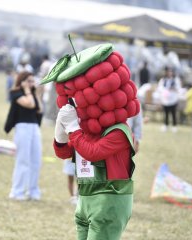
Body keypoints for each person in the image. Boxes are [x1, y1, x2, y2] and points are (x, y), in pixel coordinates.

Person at [42, 44, 140, 240]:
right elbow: (63, 153)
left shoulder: (119, 132)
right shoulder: (86, 131)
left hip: (108, 201)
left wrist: (73, 129)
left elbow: (92, 153)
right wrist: (61, 132)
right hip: (85, 199)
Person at [4, 71, 43, 201]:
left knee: (36, 161)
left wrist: (36, 93)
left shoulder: (31, 94)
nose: (32, 83)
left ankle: (33, 191)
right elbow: (29, 104)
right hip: (22, 127)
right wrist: (27, 90)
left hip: (34, 127)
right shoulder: (16, 92)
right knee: (23, 160)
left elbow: (39, 109)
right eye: (29, 81)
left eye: (33, 81)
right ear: (22, 81)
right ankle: (17, 191)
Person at [157, 67, 181, 132]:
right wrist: (165, 91)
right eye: (168, 72)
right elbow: (159, 88)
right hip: (165, 99)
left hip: (173, 99)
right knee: (166, 113)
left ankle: (174, 126)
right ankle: (165, 125)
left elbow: (178, 88)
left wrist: (173, 88)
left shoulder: (176, 80)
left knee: (173, 113)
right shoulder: (163, 80)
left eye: (171, 72)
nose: (170, 73)